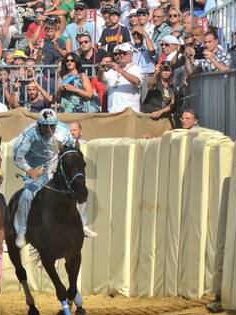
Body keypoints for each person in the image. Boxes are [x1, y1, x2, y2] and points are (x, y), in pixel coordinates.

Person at [12, 109, 93, 248]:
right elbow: (17, 156)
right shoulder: (29, 134)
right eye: (45, 126)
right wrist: (29, 170)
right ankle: (21, 231)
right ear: (39, 125)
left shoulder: (63, 130)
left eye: (52, 126)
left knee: (80, 188)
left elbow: (72, 148)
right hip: (36, 168)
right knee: (27, 195)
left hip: (56, 165)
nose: (49, 129)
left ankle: (83, 224)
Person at [68, 121, 98, 238]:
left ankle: (82, 225)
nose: (72, 132)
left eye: (74, 130)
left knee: (82, 196)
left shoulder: (85, 144)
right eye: (70, 130)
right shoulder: (64, 144)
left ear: (81, 132)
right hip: (67, 177)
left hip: (79, 176)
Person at [99, 43, 142, 112]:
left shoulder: (135, 68)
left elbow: (136, 81)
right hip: (113, 111)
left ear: (131, 54)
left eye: (124, 53)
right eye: (119, 53)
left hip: (129, 112)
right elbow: (101, 79)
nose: (121, 55)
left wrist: (120, 70)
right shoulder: (112, 69)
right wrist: (100, 71)